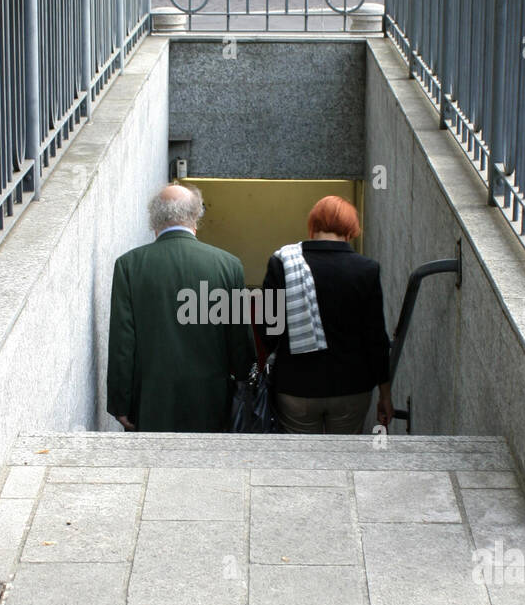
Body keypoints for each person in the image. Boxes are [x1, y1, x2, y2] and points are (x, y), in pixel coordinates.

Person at [107, 183, 255, 432]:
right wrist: (244, 388)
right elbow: (240, 340)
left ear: (154, 218)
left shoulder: (129, 266)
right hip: (212, 401)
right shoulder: (229, 266)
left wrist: (120, 404)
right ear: (196, 215)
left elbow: (123, 343)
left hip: (151, 403)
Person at [260, 195, 393, 435]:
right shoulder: (367, 269)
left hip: (295, 386)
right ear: (351, 230)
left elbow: (269, 328)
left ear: (313, 226)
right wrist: (385, 393)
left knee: (301, 460)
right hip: (351, 386)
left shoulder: (282, 263)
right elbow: (376, 338)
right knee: (343, 459)